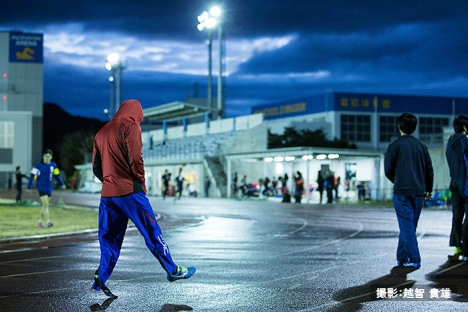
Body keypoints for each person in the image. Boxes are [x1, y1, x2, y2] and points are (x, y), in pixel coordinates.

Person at [91, 100, 196, 298]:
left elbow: (96, 168)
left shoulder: (101, 132)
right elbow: (136, 158)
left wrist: (109, 182)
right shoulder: (130, 126)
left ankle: (101, 277)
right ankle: (172, 270)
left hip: (108, 195)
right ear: (136, 112)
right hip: (131, 192)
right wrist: (140, 181)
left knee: (109, 239)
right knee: (151, 231)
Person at [384, 112, 433, 269]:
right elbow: (429, 170)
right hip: (418, 191)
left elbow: (388, 170)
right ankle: (402, 257)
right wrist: (428, 189)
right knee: (409, 225)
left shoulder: (394, 146)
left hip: (402, 192)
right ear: (414, 127)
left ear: (399, 127)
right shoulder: (421, 146)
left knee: (407, 226)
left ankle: (414, 258)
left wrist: (397, 180)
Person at [445, 115, 468, 258]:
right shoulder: (465, 141)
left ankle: (457, 246)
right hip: (465, 182)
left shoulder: (450, 142)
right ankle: (466, 248)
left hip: (453, 181)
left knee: (457, 215)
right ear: (465, 127)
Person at [27, 149, 66, 227]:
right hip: (41, 187)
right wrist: (29, 186)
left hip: (49, 188)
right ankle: (48, 221)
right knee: (46, 205)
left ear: (51, 157)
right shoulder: (38, 166)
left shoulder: (53, 165)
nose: (47, 158)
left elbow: (57, 175)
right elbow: (32, 176)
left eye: (48, 156)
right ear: (43, 157)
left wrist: (62, 184)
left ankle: (40, 221)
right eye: (45, 156)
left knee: (45, 205)